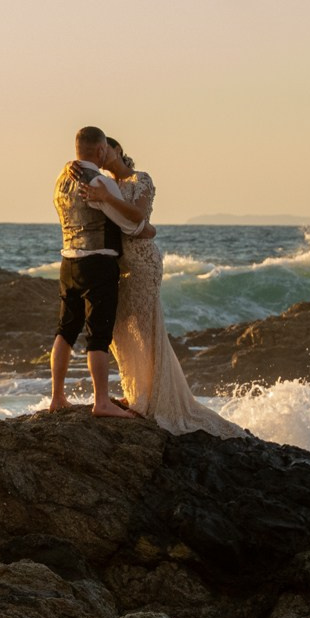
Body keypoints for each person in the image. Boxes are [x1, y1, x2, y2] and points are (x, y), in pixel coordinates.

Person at [82, 138, 245, 438]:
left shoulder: (139, 178)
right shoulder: (105, 183)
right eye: (100, 153)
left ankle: (150, 400)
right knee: (120, 329)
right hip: (120, 264)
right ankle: (136, 391)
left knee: (146, 327)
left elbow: (138, 216)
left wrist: (109, 198)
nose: (104, 156)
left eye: (108, 150)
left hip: (143, 261)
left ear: (118, 151)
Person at [50, 126, 151, 416]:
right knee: (98, 335)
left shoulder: (61, 177)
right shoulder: (100, 182)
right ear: (101, 150)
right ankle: (102, 402)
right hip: (99, 261)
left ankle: (57, 396)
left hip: (68, 261)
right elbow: (129, 224)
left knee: (65, 330)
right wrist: (148, 229)